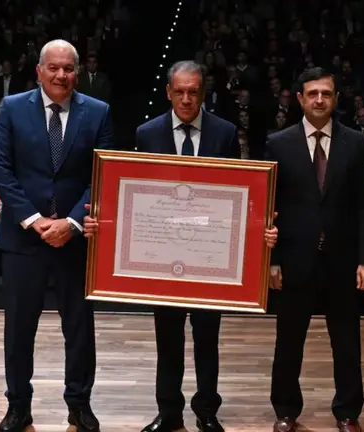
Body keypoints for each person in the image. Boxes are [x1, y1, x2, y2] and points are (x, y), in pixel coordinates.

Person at [82, 60, 278, 432]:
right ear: (169, 92)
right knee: (167, 338)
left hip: (210, 253)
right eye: (180, 91)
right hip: (164, 254)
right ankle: (169, 411)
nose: (187, 98)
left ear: (202, 93)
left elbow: (238, 194)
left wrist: (257, 232)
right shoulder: (147, 132)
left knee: (208, 338)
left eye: (194, 91)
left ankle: (207, 410)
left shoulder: (224, 131)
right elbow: (137, 191)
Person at [0, 39, 114, 432]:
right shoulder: (11, 108)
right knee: (19, 329)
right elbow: (0, 170)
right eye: (54, 68)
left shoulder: (98, 112)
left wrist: (72, 223)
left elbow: (103, 175)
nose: (62, 75)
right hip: (24, 240)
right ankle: (18, 406)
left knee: (79, 329)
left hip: (75, 242)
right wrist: (34, 219)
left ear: (78, 72)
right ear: (39, 71)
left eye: (69, 68)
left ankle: (79, 403)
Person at [265, 67, 364, 432]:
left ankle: (347, 412)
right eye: (312, 93)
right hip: (295, 260)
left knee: (347, 343)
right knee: (288, 342)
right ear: (299, 98)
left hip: (343, 261)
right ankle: (285, 411)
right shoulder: (278, 143)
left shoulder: (356, 142)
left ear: (335, 99)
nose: (318, 100)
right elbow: (270, 208)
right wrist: (273, 261)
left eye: (325, 94)